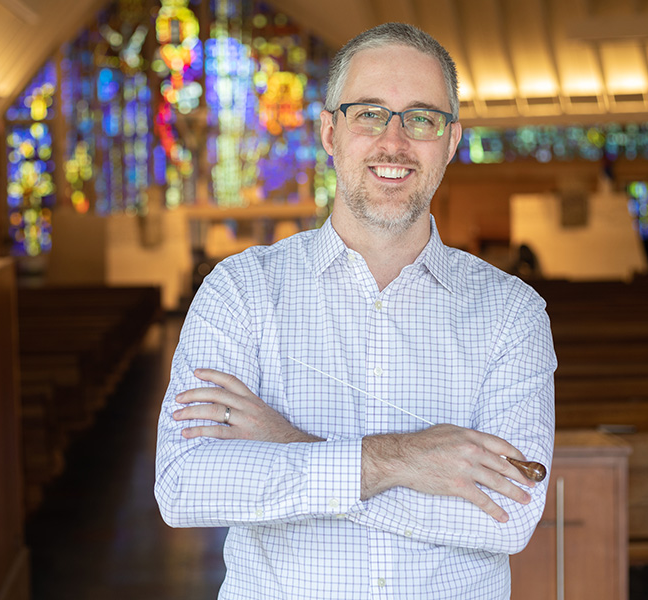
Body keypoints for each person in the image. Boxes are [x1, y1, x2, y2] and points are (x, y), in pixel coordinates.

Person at [154, 22, 556, 599]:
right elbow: (185, 486)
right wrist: (396, 461)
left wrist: (289, 444)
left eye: (421, 118)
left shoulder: (512, 313)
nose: (393, 141)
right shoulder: (239, 292)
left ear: (451, 140)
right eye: (368, 112)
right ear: (328, 131)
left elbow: (509, 516)